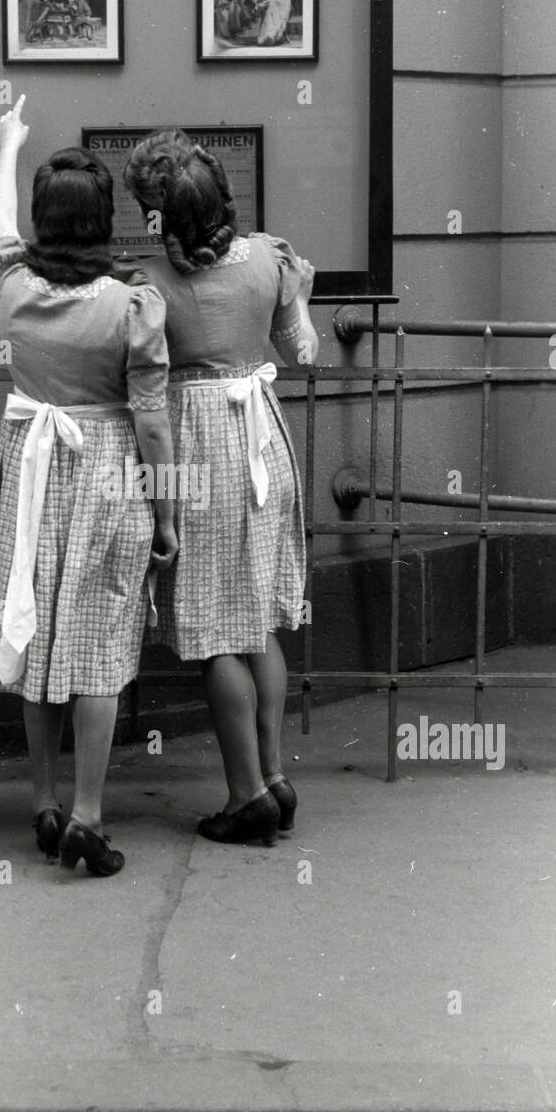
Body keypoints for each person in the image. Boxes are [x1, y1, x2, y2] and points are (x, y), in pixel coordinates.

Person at [0, 96, 177, 877]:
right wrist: (166, 512)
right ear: (104, 223)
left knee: (33, 632)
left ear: (41, 221)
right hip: (106, 472)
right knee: (96, 643)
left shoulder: (12, 284)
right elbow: (154, 423)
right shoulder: (131, 307)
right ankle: (89, 819)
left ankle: (43, 802)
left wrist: (9, 143)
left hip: (31, 461)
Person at [123, 128, 318, 846]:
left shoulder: (147, 284)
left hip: (193, 443)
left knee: (211, 633)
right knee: (258, 617)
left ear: (158, 217)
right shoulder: (272, 258)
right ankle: (272, 777)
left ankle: (245, 795)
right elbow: (302, 352)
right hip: (261, 435)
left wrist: (161, 507)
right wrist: (297, 298)